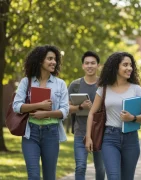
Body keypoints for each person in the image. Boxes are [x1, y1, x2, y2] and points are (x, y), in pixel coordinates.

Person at [85, 52, 141, 180]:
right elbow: (92, 113)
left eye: (131, 65)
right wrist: (88, 137)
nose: (129, 68)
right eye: (125, 65)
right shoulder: (103, 89)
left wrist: (133, 118)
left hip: (131, 139)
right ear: (115, 67)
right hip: (110, 138)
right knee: (114, 177)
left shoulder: (136, 89)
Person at [13, 45, 69, 179]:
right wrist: (39, 105)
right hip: (30, 134)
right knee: (33, 175)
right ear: (40, 61)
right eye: (49, 59)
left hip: (51, 133)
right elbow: (16, 106)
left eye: (55, 59)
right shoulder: (26, 82)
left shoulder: (60, 84)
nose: (53, 62)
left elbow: (65, 110)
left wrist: (46, 113)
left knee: (49, 176)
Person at [68, 51, 105, 180]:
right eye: (87, 63)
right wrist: (80, 107)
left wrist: (95, 107)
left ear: (98, 65)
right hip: (80, 132)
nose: (90, 66)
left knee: (100, 169)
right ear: (83, 66)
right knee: (80, 166)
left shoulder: (104, 85)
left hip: (100, 132)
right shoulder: (75, 85)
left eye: (93, 63)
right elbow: (67, 109)